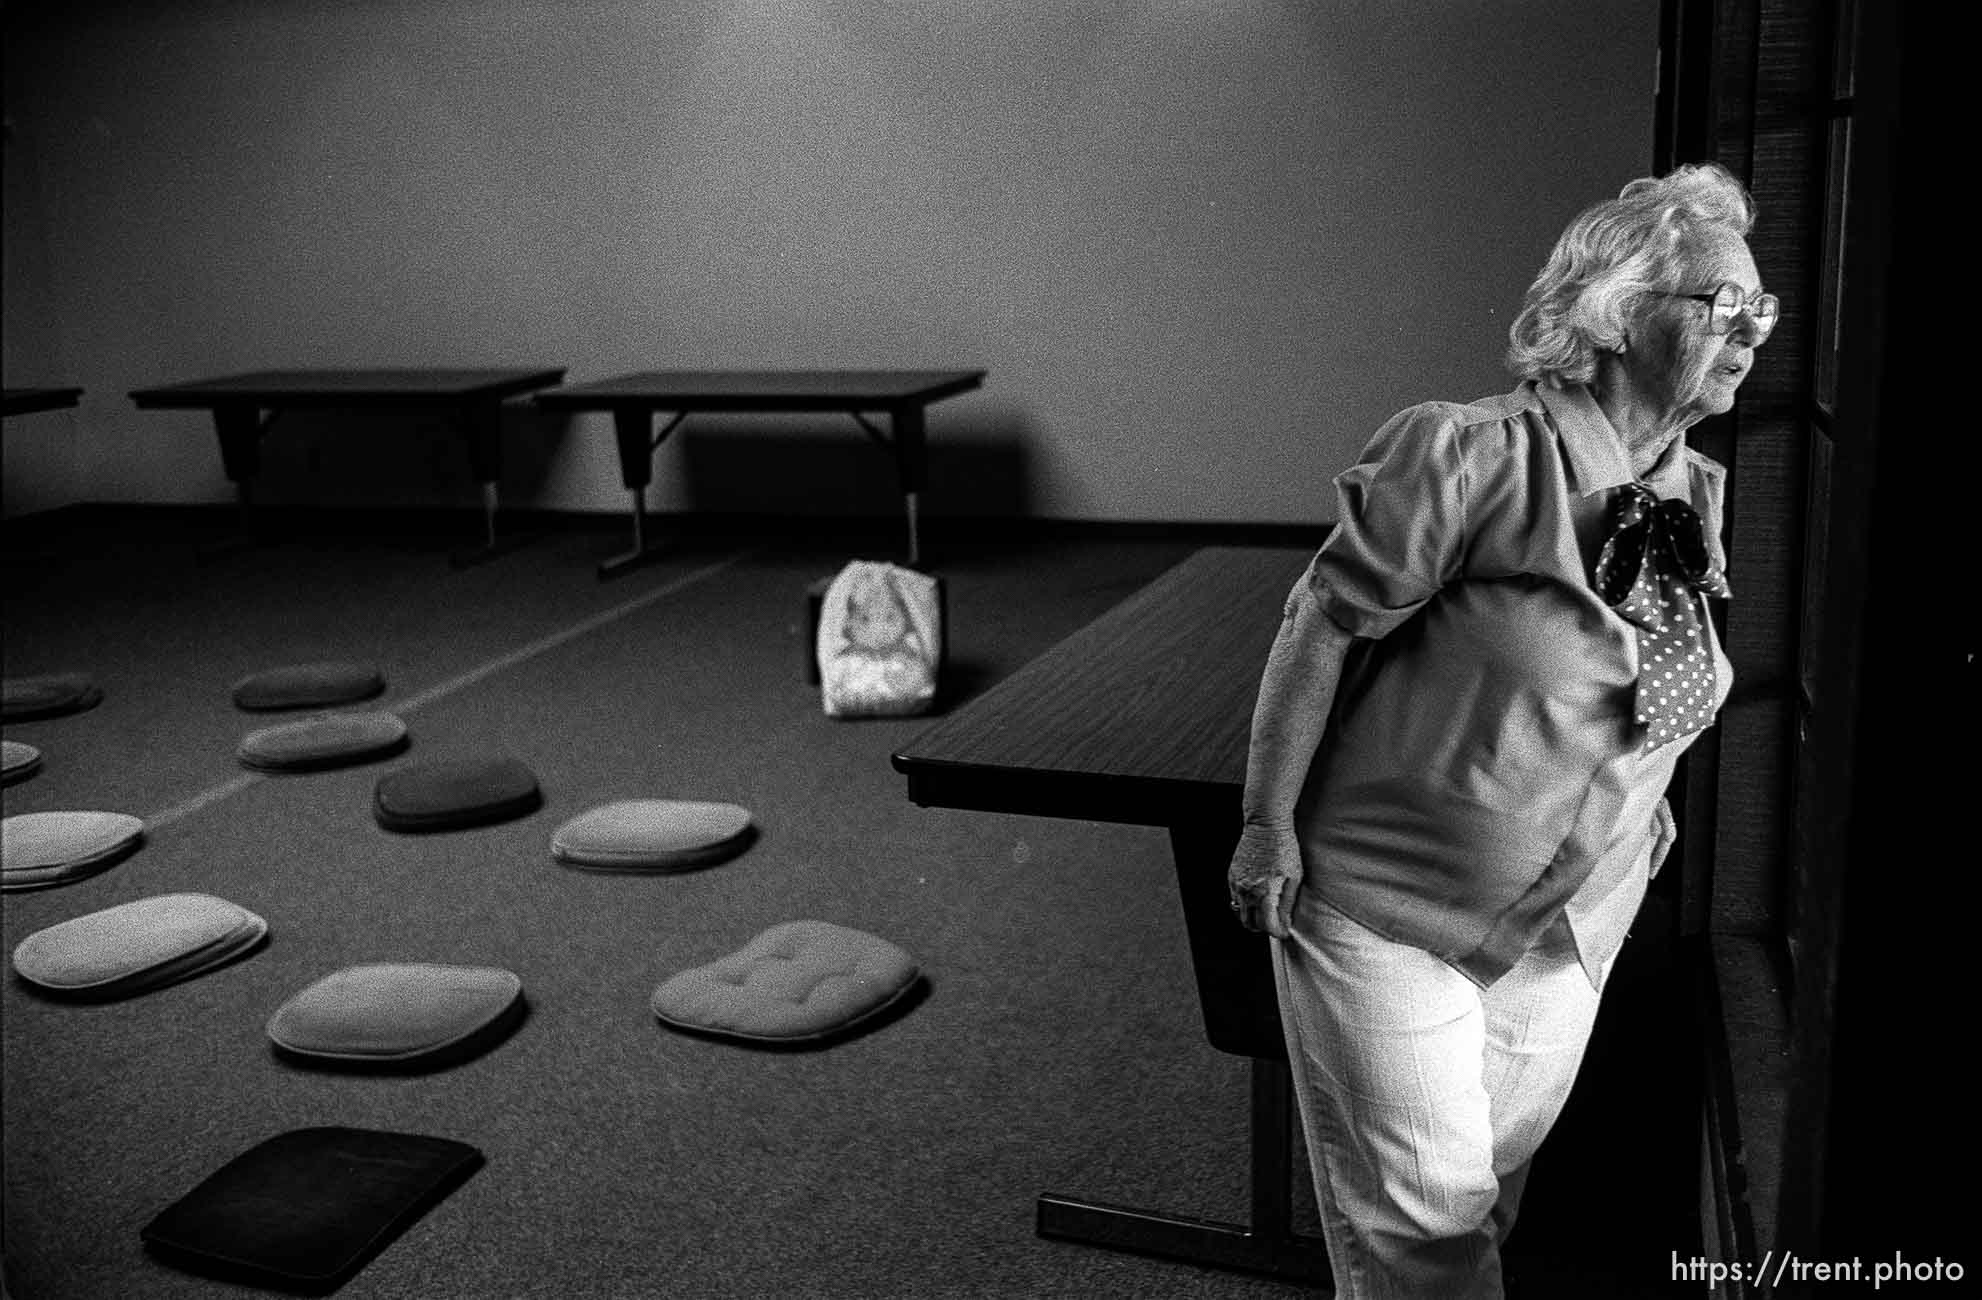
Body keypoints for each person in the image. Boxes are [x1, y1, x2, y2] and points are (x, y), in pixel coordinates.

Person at [1226, 162, 1774, 1299]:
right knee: (1423, 1243)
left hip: (1571, 922)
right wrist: (1263, 823)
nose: (1750, 332)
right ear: (1618, 311)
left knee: (1482, 1193)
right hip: (1390, 908)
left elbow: (1639, 684)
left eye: (1757, 310)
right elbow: (1317, 626)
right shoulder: (1465, 453)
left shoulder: (1690, 488)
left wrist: (1637, 805)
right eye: (1721, 304)